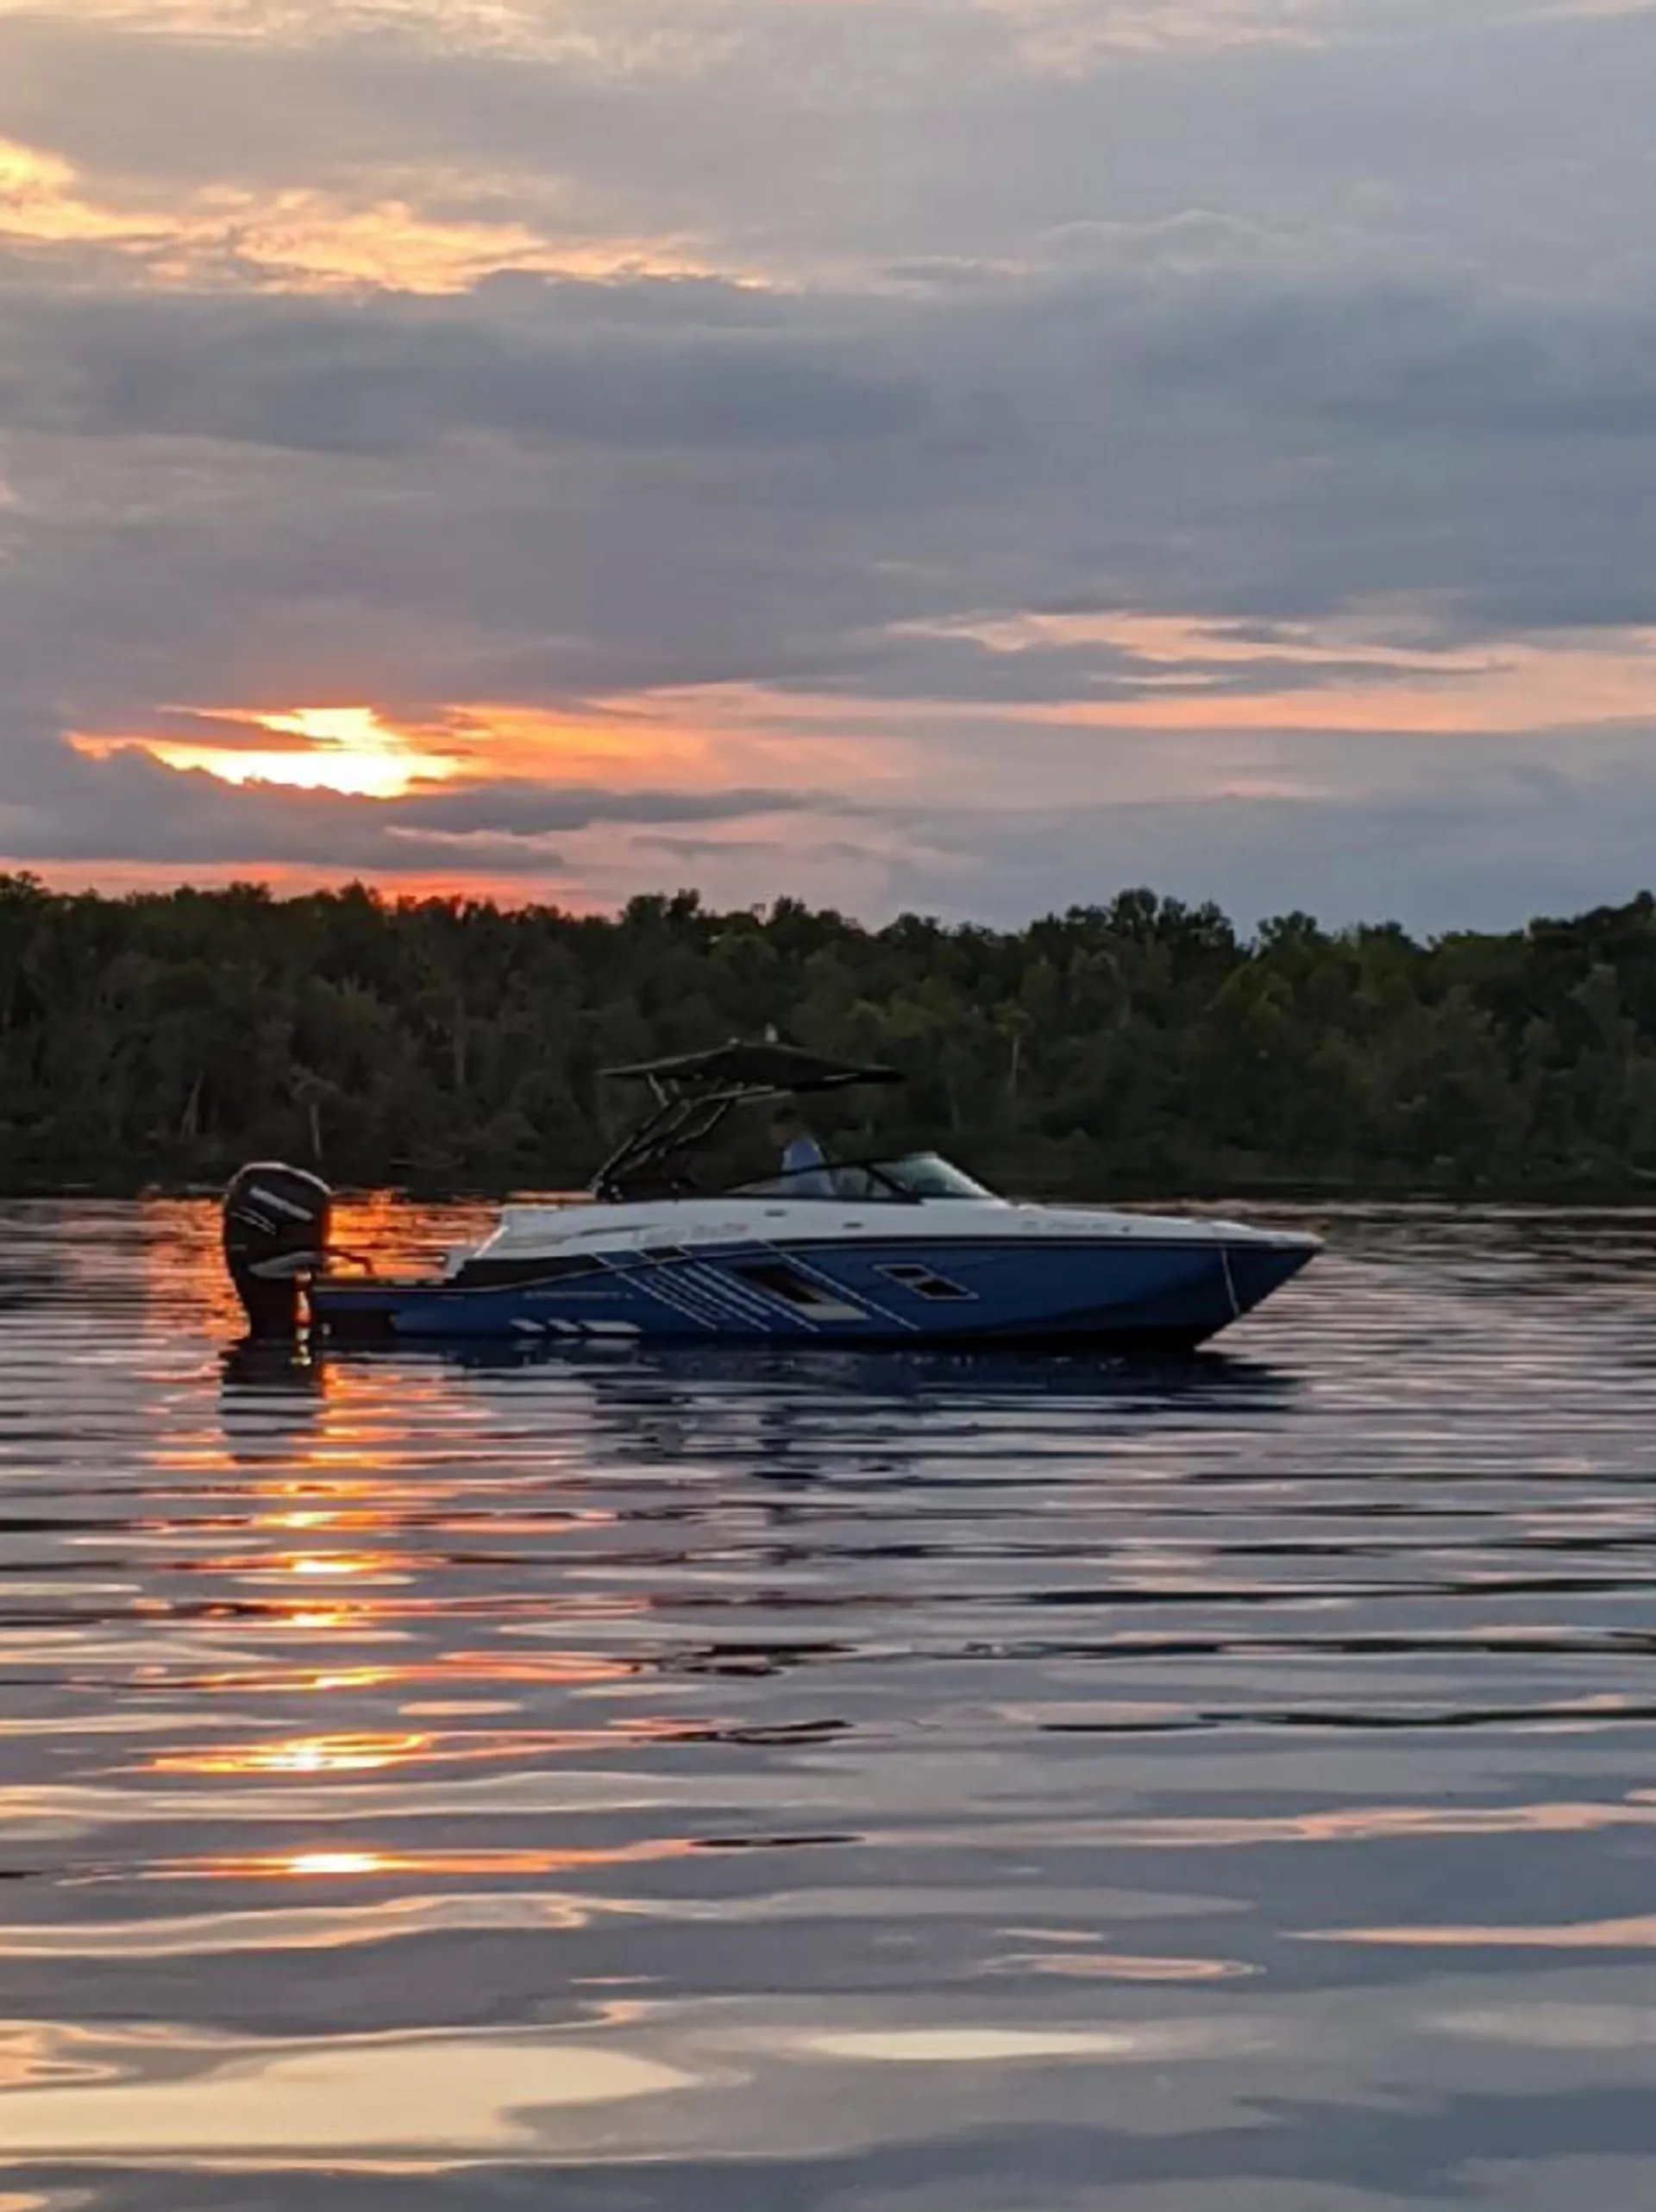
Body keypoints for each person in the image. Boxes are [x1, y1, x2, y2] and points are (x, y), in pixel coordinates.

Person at [768, 1103, 834, 1196]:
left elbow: (795, 1189)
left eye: (775, 1130)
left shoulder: (803, 1153)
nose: (772, 1135)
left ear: (789, 1128)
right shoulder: (795, 1150)